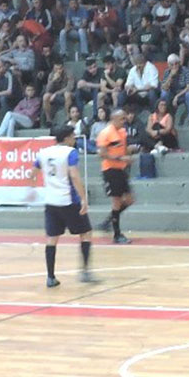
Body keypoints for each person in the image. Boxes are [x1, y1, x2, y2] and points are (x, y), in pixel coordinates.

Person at [26, 126, 97, 287]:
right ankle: (85, 272)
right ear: (66, 138)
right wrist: (84, 198)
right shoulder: (70, 153)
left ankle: (50, 277)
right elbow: (74, 175)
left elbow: (31, 174)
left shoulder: (43, 152)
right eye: (72, 136)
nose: (74, 139)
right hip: (68, 200)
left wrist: (32, 188)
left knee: (52, 239)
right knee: (86, 233)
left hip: (51, 202)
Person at [95, 109, 135, 244]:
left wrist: (129, 154)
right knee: (116, 202)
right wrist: (120, 158)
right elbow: (102, 154)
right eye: (122, 119)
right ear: (114, 119)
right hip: (110, 170)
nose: (125, 121)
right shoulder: (105, 133)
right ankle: (117, 235)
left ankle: (108, 221)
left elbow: (123, 149)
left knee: (129, 200)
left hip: (121, 169)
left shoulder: (122, 132)